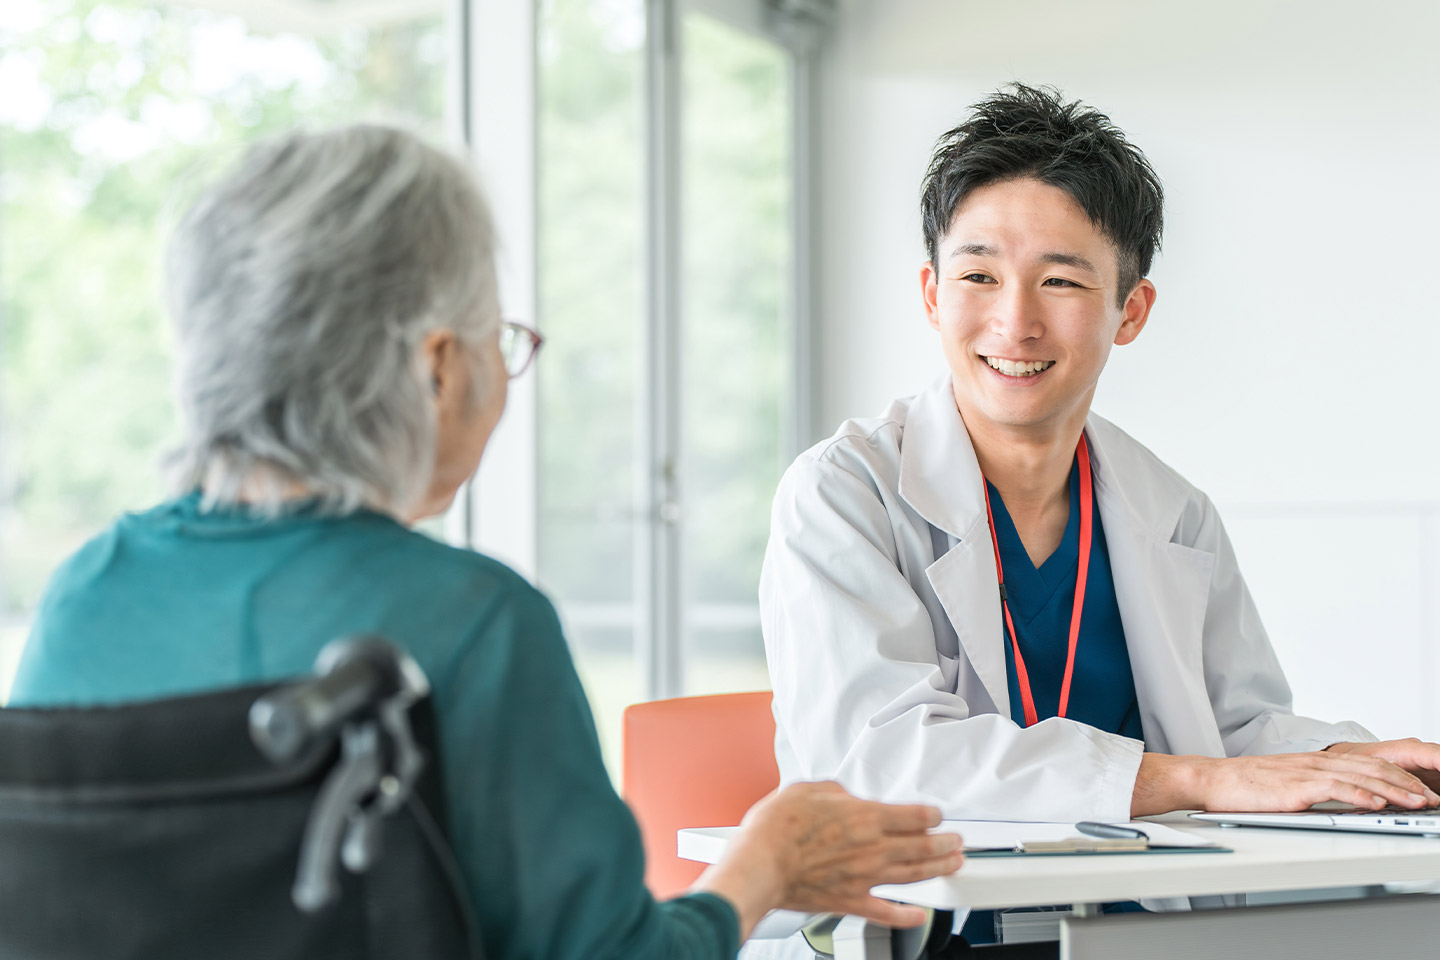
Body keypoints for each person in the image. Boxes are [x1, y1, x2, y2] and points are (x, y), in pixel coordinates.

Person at [9, 125, 964, 960]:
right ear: (435, 368)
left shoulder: (84, 593)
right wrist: (764, 865)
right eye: (498, 340)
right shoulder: (474, 624)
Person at [759, 84, 1440, 943]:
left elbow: (1231, 727)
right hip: (929, 929)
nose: (1015, 320)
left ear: (1131, 311)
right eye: (979, 276)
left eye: (1061, 280)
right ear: (932, 294)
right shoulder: (844, 493)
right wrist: (1189, 781)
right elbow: (883, 763)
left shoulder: (1172, 512)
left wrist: (1347, 762)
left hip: (1140, 927)